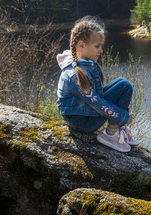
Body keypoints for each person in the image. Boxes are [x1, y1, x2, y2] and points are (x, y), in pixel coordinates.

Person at [56, 16, 140, 152]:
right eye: (97, 46)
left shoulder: (86, 65)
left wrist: (123, 110)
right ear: (81, 45)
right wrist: (123, 117)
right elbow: (98, 104)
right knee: (124, 87)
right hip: (82, 122)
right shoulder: (73, 75)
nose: (101, 50)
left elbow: (98, 96)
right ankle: (111, 134)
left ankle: (116, 129)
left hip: (86, 113)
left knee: (123, 84)